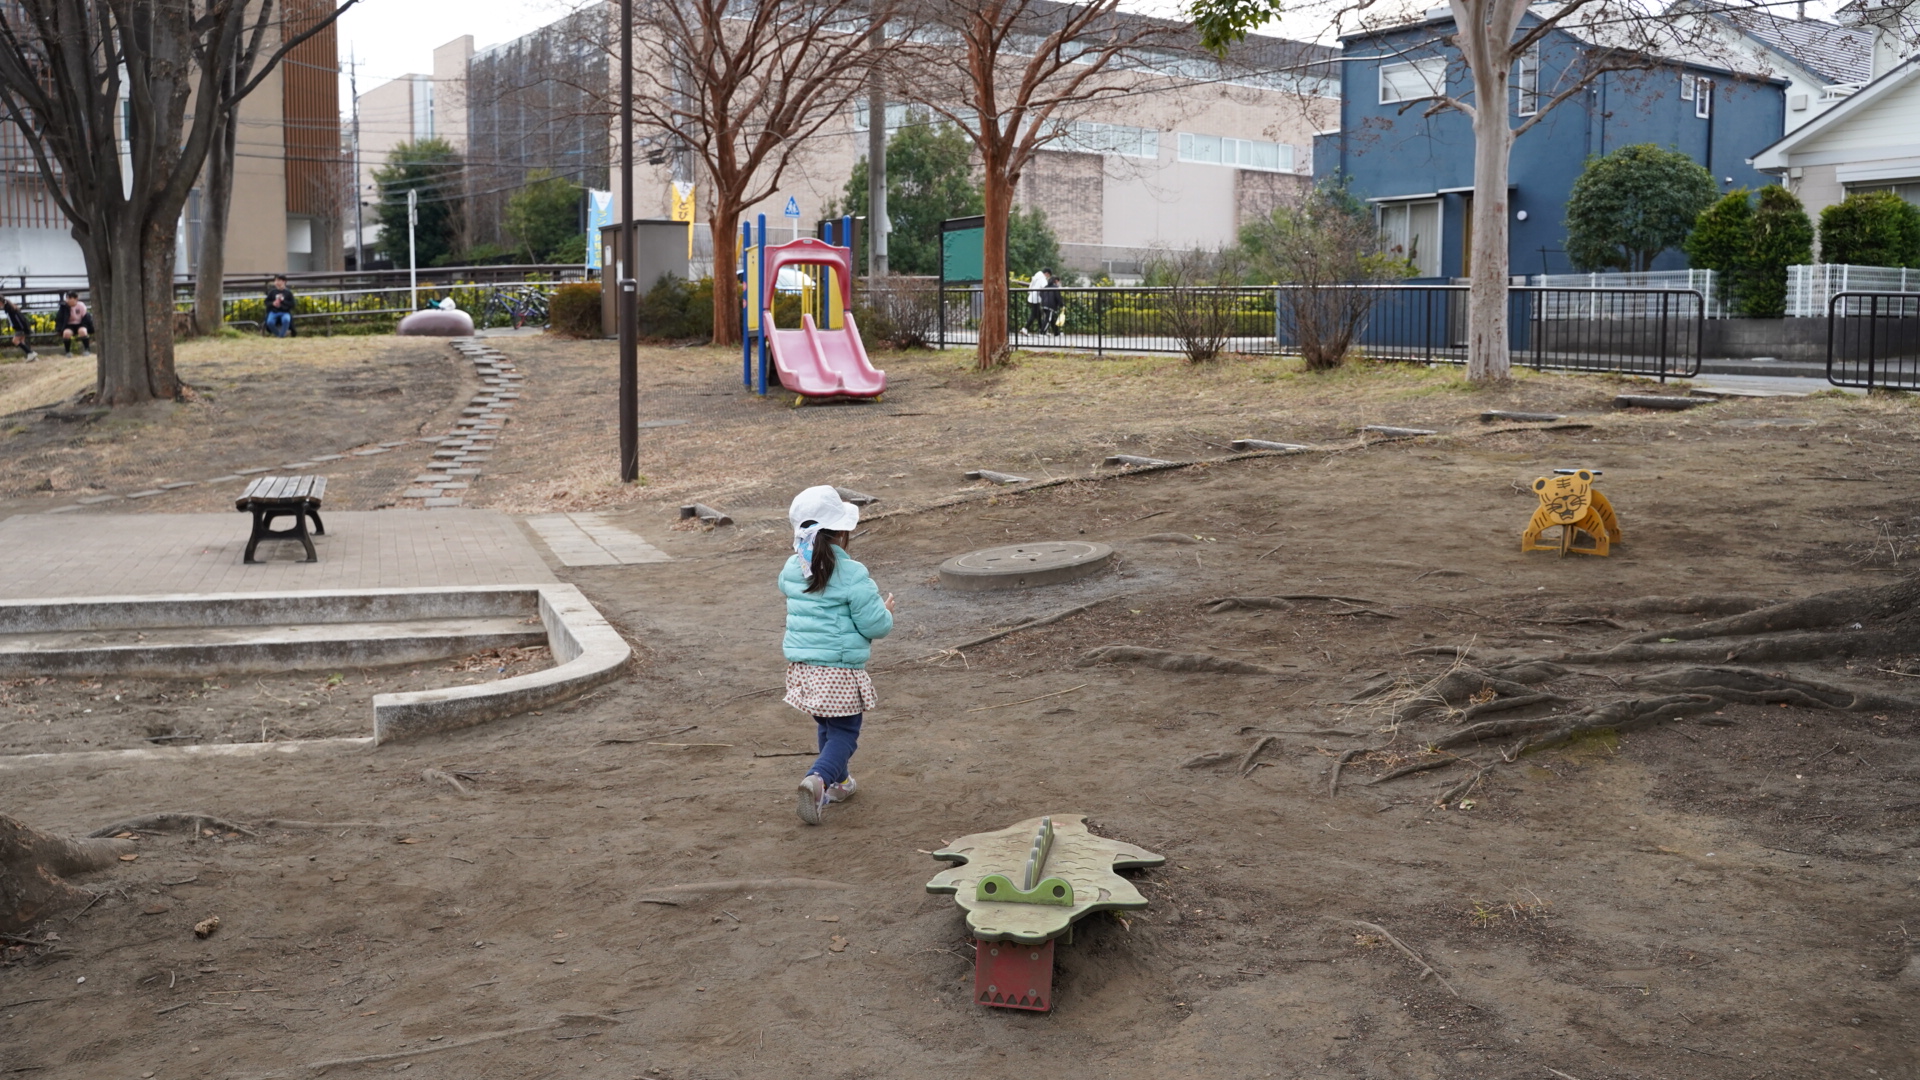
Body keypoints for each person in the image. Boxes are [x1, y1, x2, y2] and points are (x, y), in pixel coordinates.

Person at [780, 485, 895, 825]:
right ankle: (818, 779)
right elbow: (875, 625)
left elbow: (791, 589)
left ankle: (839, 783)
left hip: (804, 668)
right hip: (839, 670)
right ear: (842, 532)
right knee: (845, 732)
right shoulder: (852, 573)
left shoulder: (792, 568)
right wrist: (885, 611)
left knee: (829, 726)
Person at [1025, 268, 1051, 335]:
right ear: (1047, 273)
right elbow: (1045, 287)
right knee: (1034, 314)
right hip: (1036, 297)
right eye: (1048, 276)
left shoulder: (1037, 275)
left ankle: (1041, 330)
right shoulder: (1042, 279)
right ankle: (1025, 328)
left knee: (1038, 314)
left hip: (1032, 296)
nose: (1047, 277)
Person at [1040, 267, 1064, 336]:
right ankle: (1042, 333)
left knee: (1052, 319)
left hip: (1044, 304)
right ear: (1056, 281)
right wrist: (1061, 305)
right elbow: (1058, 297)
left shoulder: (1046, 287)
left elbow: (1041, 294)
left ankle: (1056, 332)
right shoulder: (1055, 288)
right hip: (1050, 306)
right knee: (1048, 319)